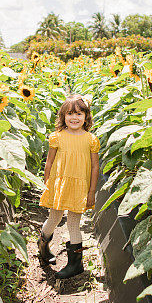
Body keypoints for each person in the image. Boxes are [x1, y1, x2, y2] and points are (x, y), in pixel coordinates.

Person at [38, 94, 100, 279]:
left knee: (74, 224)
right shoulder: (57, 137)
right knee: (54, 219)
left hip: (80, 187)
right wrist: (48, 183)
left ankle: (75, 264)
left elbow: (95, 167)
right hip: (59, 184)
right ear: (63, 116)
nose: (75, 118)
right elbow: (49, 163)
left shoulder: (91, 139)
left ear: (86, 117)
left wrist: (91, 191)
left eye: (79, 114)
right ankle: (43, 246)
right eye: (70, 113)